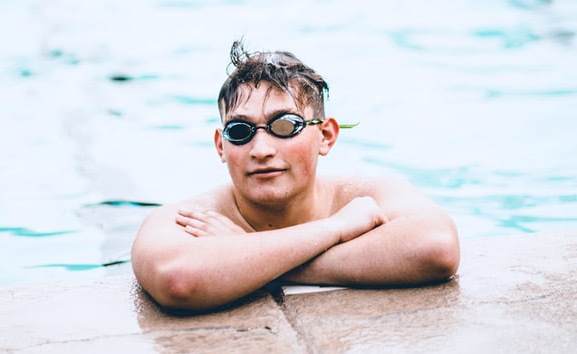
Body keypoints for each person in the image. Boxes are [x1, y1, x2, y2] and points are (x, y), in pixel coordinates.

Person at [131, 41, 460, 312]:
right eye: (240, 131)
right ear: (221, 145)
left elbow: (438, 247)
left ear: (326, 137)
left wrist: (242, 254)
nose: (261, 149)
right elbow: (179, 280)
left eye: (285, 126)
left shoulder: (363, 193)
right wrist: (335, 230)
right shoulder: (195, 218)